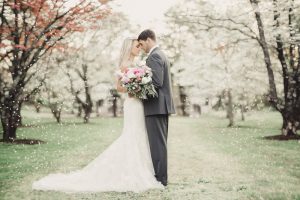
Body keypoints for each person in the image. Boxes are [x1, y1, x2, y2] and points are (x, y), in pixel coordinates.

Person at [31, 38, 164, 193]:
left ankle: (144, 169)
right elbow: (119, 88)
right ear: (129, 47)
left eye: (140, 45)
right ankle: (132, 173)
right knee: (133, 134)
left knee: (141, 134)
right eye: (137, 46)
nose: (139, 48)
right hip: (132, 104)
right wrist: (135, 87)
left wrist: (142, 85)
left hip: (139, 104)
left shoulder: (139, 63)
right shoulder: (125, 65)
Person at [138, 29, 176, 186]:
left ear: (148, 40)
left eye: (141, 44)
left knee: (158, 145)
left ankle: (161, 179)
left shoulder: (154, 56)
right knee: (159, 144)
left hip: (156, 107)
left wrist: (138, 91)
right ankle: (161, 177)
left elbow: (156, 83)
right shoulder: (161, 54)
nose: (141, 47)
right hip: (161, 107)